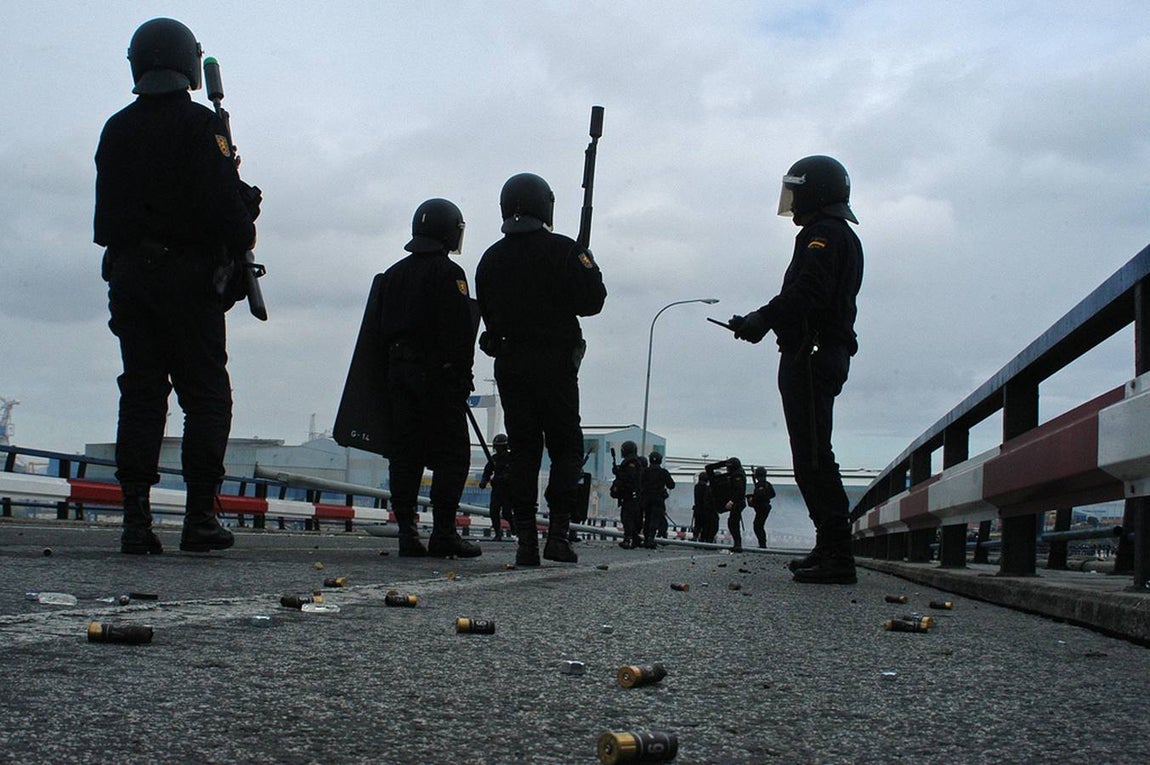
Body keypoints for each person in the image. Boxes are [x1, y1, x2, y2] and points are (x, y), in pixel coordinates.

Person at [95, 18, 257, 555]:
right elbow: (231, 223)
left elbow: (105, 225)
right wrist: (245, 205)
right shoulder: (200, 126)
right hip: (189, 282)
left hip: (130, 281)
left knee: (141, 393)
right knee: (207, 397)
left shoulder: (115, 129)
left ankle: (136, 522)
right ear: (188, 63)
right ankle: (199, 517)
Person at [728, 155, 864, 584]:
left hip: (811, 355)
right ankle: (828, 546)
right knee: (813, 453)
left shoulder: (822, 234)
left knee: (813, 457)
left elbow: (809, 293)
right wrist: (766, 323)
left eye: (797, 189)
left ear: (815, 191)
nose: (792, 200)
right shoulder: (834, 234)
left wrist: (761, 319)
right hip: (819, 352)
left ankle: (837, 555)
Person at [475, 173, 606, 565]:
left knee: (523, 451)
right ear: (546, 206)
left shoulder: (490, 258)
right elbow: (593, 301)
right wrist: (586, 262)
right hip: (555, 365)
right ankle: (559, 535)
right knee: (566, 448)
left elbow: (488, 315)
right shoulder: (564, 250)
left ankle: (526, 541)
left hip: (511, 364)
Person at [374, 198, 481, 559]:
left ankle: (407, 531)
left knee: (405, 454)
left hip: (397, 375)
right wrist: (461, 376)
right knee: (453, 456)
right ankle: (444, 532)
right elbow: (459, 329)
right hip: (437, 377)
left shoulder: (392, 274)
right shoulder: (450, 274)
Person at [707, 457, 747, 552]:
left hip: (737, 502)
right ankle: (737, 544)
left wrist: (732, 501)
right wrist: (725, 463)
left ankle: (738, 544)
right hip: (733, 502)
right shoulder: (733, 474)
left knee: (733, 523)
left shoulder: (738, 475)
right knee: (732, 522)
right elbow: (708, 468)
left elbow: (739, 491)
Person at [479, 433, 513, 540]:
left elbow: (515, 473)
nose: (498, 449)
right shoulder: (493, 459)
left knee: (507, 513)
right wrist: (484, 481)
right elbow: (487, 472)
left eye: (500, 447)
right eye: (496, 447)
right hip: (497, 490)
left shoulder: (511, 459)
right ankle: (498, 533)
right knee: (493, 511)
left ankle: (515, 527)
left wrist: (505, 478)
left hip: (508, 490)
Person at [611, 441, 645, 549]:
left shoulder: (631, 462)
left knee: (628, 518)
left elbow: (629, 478)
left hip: (631, 495)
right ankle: (634, 538)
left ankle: (628, 539)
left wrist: (618, 472)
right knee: (628, 517)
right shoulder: (631, 462)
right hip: (630, 495)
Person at [639, 451, 675, 548]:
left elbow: (639, 483)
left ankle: (646, 540)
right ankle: (651, 538)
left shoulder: (645, 471)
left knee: (647, 518)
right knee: (655, 519)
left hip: (646, 499)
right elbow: (671, 485)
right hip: (658, 499)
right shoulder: (663, 472)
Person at [748, 466, 776, 548]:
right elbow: (772, 494)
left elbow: (760, 495)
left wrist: (752, 499)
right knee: (759, 525)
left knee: (758, 526)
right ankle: (762, 543)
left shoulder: (761, 484)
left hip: (762, 507)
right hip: (765, 507)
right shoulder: (767, 484)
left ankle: (762, 544)